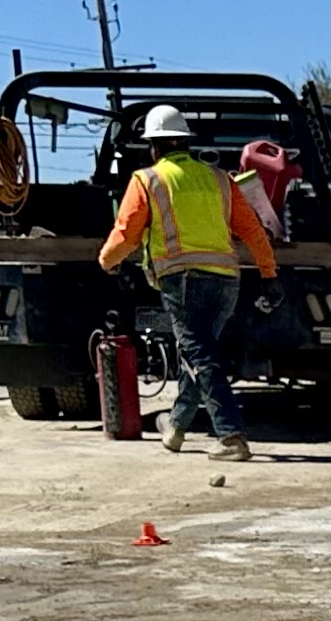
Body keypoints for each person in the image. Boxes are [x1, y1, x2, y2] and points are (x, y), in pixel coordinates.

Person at [97, 104, 277, 459]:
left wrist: (106, 262)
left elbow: (126, 233)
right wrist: (269, 274)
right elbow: (253, 230)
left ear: (153, 146)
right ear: (186, 143)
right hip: (226, 280)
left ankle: (231, 436)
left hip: (183, 280)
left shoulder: (147, 180)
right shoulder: (219, 179)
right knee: (198, 352)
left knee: (200, 354)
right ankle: (177, 427)